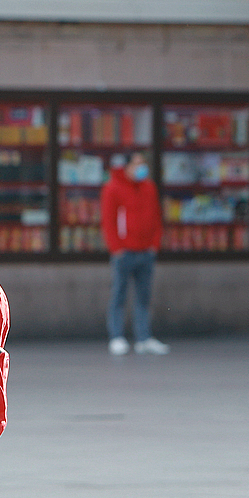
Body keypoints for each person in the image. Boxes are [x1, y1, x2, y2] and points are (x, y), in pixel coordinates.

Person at [101, 152, 168, 356]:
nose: (141, 168)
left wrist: (154, 244)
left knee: (144, 297)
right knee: (119, 295)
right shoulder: (113, 188)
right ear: (127, 166)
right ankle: (117, 337)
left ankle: (143, 338)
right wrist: (117, 248)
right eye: (137, 164)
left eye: (143, 164)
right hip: (124, 252)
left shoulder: (149, 187)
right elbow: (109, 220)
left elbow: (156, 216)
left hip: (146, 250)